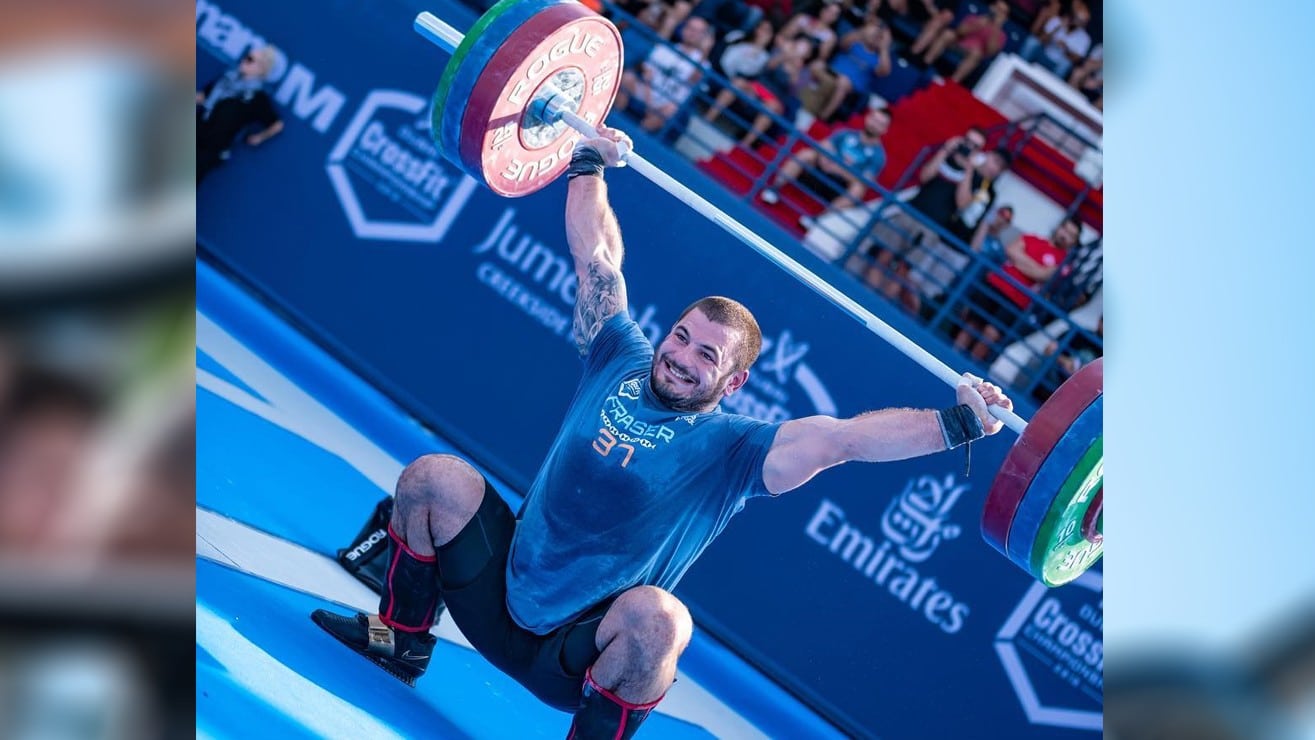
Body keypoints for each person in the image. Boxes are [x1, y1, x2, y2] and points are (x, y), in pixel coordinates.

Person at [311, 127, 1015, 739]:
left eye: (705, 355)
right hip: (492, 596)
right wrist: (587, 162)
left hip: (574, 653)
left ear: (732, 383)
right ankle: (400, 642)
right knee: (435, 478)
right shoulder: (619, 354)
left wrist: (959, 420)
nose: (679, 357)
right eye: (681, 337)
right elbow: (597, 259)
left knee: (661, 621)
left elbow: (846, 440)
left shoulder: (735, 450)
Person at [859, 131, 1011, 313]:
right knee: (882, 257)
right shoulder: (945, 157)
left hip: (933, 229)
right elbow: (924, 177)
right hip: (911, 212)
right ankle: (865, 303)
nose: (969, 147)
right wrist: (945, 151)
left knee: (902, 273)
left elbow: (963, 203)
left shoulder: (978, 179)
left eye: (975, 146)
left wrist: (969, 167)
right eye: (967, 142)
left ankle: (876, 312)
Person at [953, 217, 1079, 361]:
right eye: (1065, 229)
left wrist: (1020, 261)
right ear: (1059, 227)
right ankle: (951, 358)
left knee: (991, 334)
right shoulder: (1032, 237)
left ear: (1073, 241)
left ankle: (968, 368)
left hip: (1018, 301)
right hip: (995, 284)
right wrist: (1034, 267)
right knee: (972, 323)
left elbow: (1042, 275)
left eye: (1071, 235)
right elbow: (1011, 250)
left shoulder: (1064, 263)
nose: (1065, 235)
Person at [758, 105, 889, 213]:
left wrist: (839, 169)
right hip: (821, 168)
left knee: (857, 190)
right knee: (806, 154)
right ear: (867, 118)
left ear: (884, 129)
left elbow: (865, 181)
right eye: (874, 119)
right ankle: (774, 188)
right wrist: (826, 160)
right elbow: (823, 145)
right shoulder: (845, 133)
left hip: (839, 185)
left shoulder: (879, 156)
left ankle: (819, 218)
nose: (874, 124)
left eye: (880, 123)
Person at [196, 45, 283, 183]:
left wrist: (259, 137)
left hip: (210, 150)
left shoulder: (256, 98)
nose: (244, 60)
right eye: (246, 56)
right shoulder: (226, 79)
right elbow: (203, 96)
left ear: (261, 69)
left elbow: (276, 124)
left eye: (250, 59)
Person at [617, 16, 713, 132]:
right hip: (647, 92)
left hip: (666, 103)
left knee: (672, 108)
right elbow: (648, 74)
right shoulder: (664, 48)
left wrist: (705, 52)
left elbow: (694, 79)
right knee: (628, 77)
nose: (692, 33)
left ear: (703, 36)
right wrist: (649, 102)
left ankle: (637, 133)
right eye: (690, 28)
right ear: (683, 29)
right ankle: (615, 120)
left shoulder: (703, 63)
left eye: (698, 31)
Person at [805, 17, 892, 122]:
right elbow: (843, 43)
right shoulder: (856, 42)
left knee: (843, 82)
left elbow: (884, 72)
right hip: (832, 71)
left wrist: (884, 47)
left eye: (879, 37)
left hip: (850, 85)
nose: (876, 37)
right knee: (816, 65)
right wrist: (864, 32)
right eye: (875, 34)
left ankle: (822, 117)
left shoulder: (878, 58)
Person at [911, 0, 1010, 84]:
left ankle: (952, 83)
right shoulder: (975, 18)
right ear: (991, 7)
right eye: (996, 8)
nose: (997, 12)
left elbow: (990, 52)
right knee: (947, 34)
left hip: (973, 54)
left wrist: (995, 28)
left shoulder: (1001, 35)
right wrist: (976, 25)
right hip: (960, 44)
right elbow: (959, 31)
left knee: (976, 53)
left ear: (1005, 17)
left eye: (1001, 11)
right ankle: (924, 63)